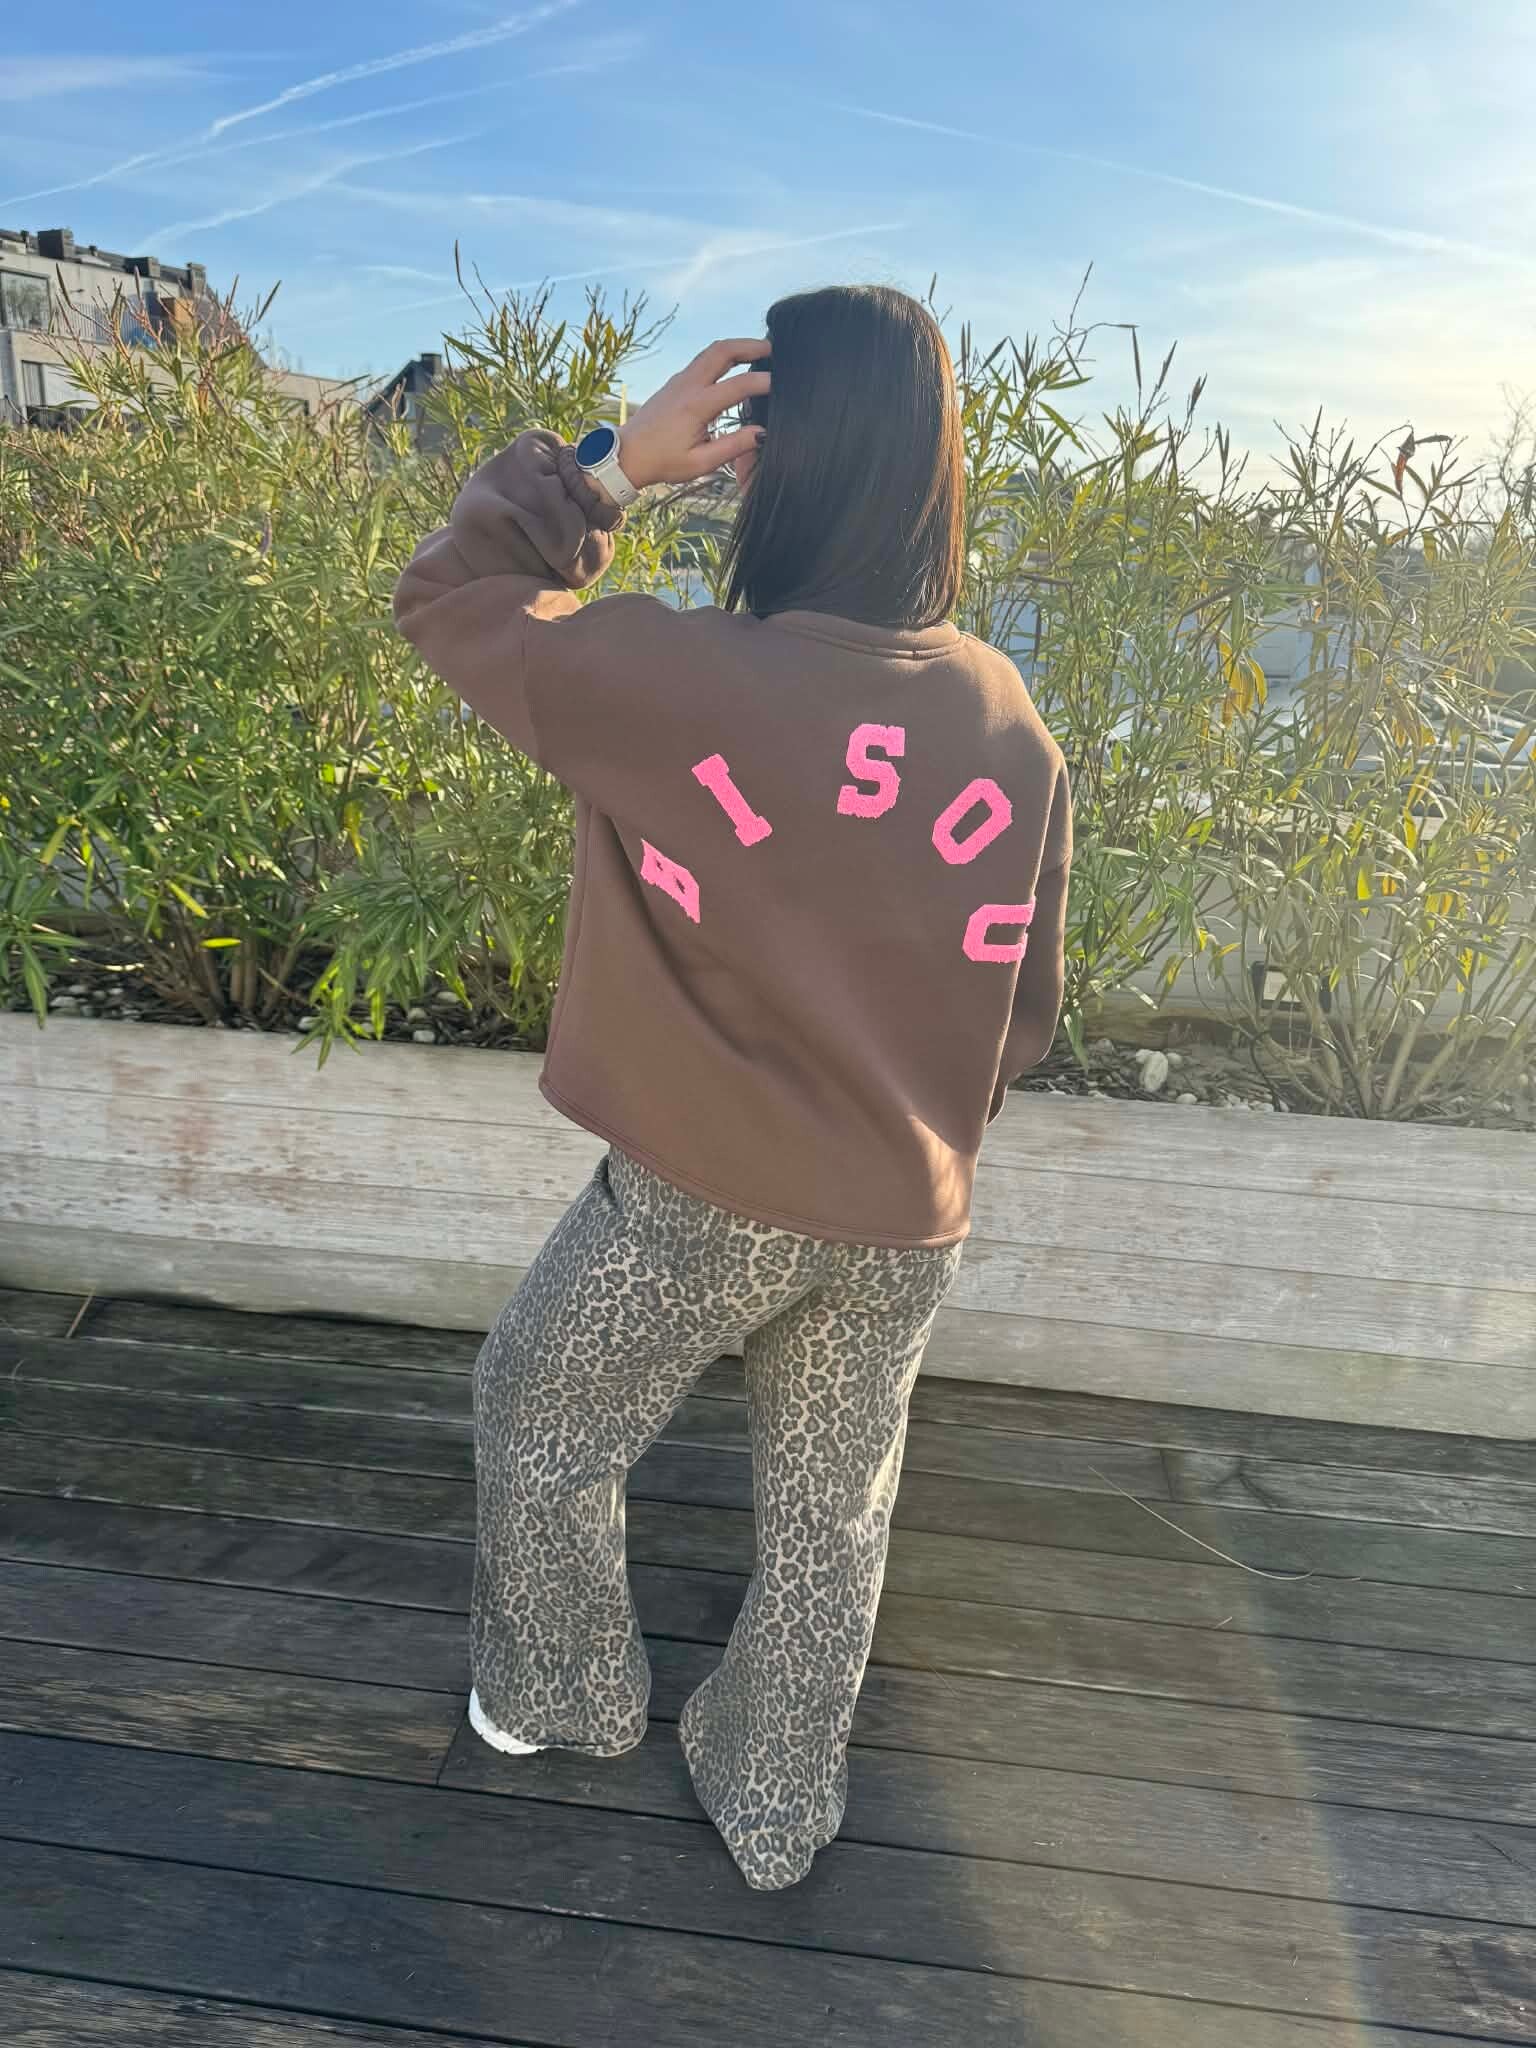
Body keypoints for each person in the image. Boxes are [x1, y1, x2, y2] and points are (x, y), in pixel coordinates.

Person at [393, 284, 1071, 1891]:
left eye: (758, 433)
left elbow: (451, 596)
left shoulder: (676, 676)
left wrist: (613, 468)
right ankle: (776, 1799)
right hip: (907, 1214)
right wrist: (908, 1124)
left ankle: (559, 1702)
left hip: (696, 1200)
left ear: (776, 455)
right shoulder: (1010, 725)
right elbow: (1024, 1012)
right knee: (835, 1518)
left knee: (540, 1411)